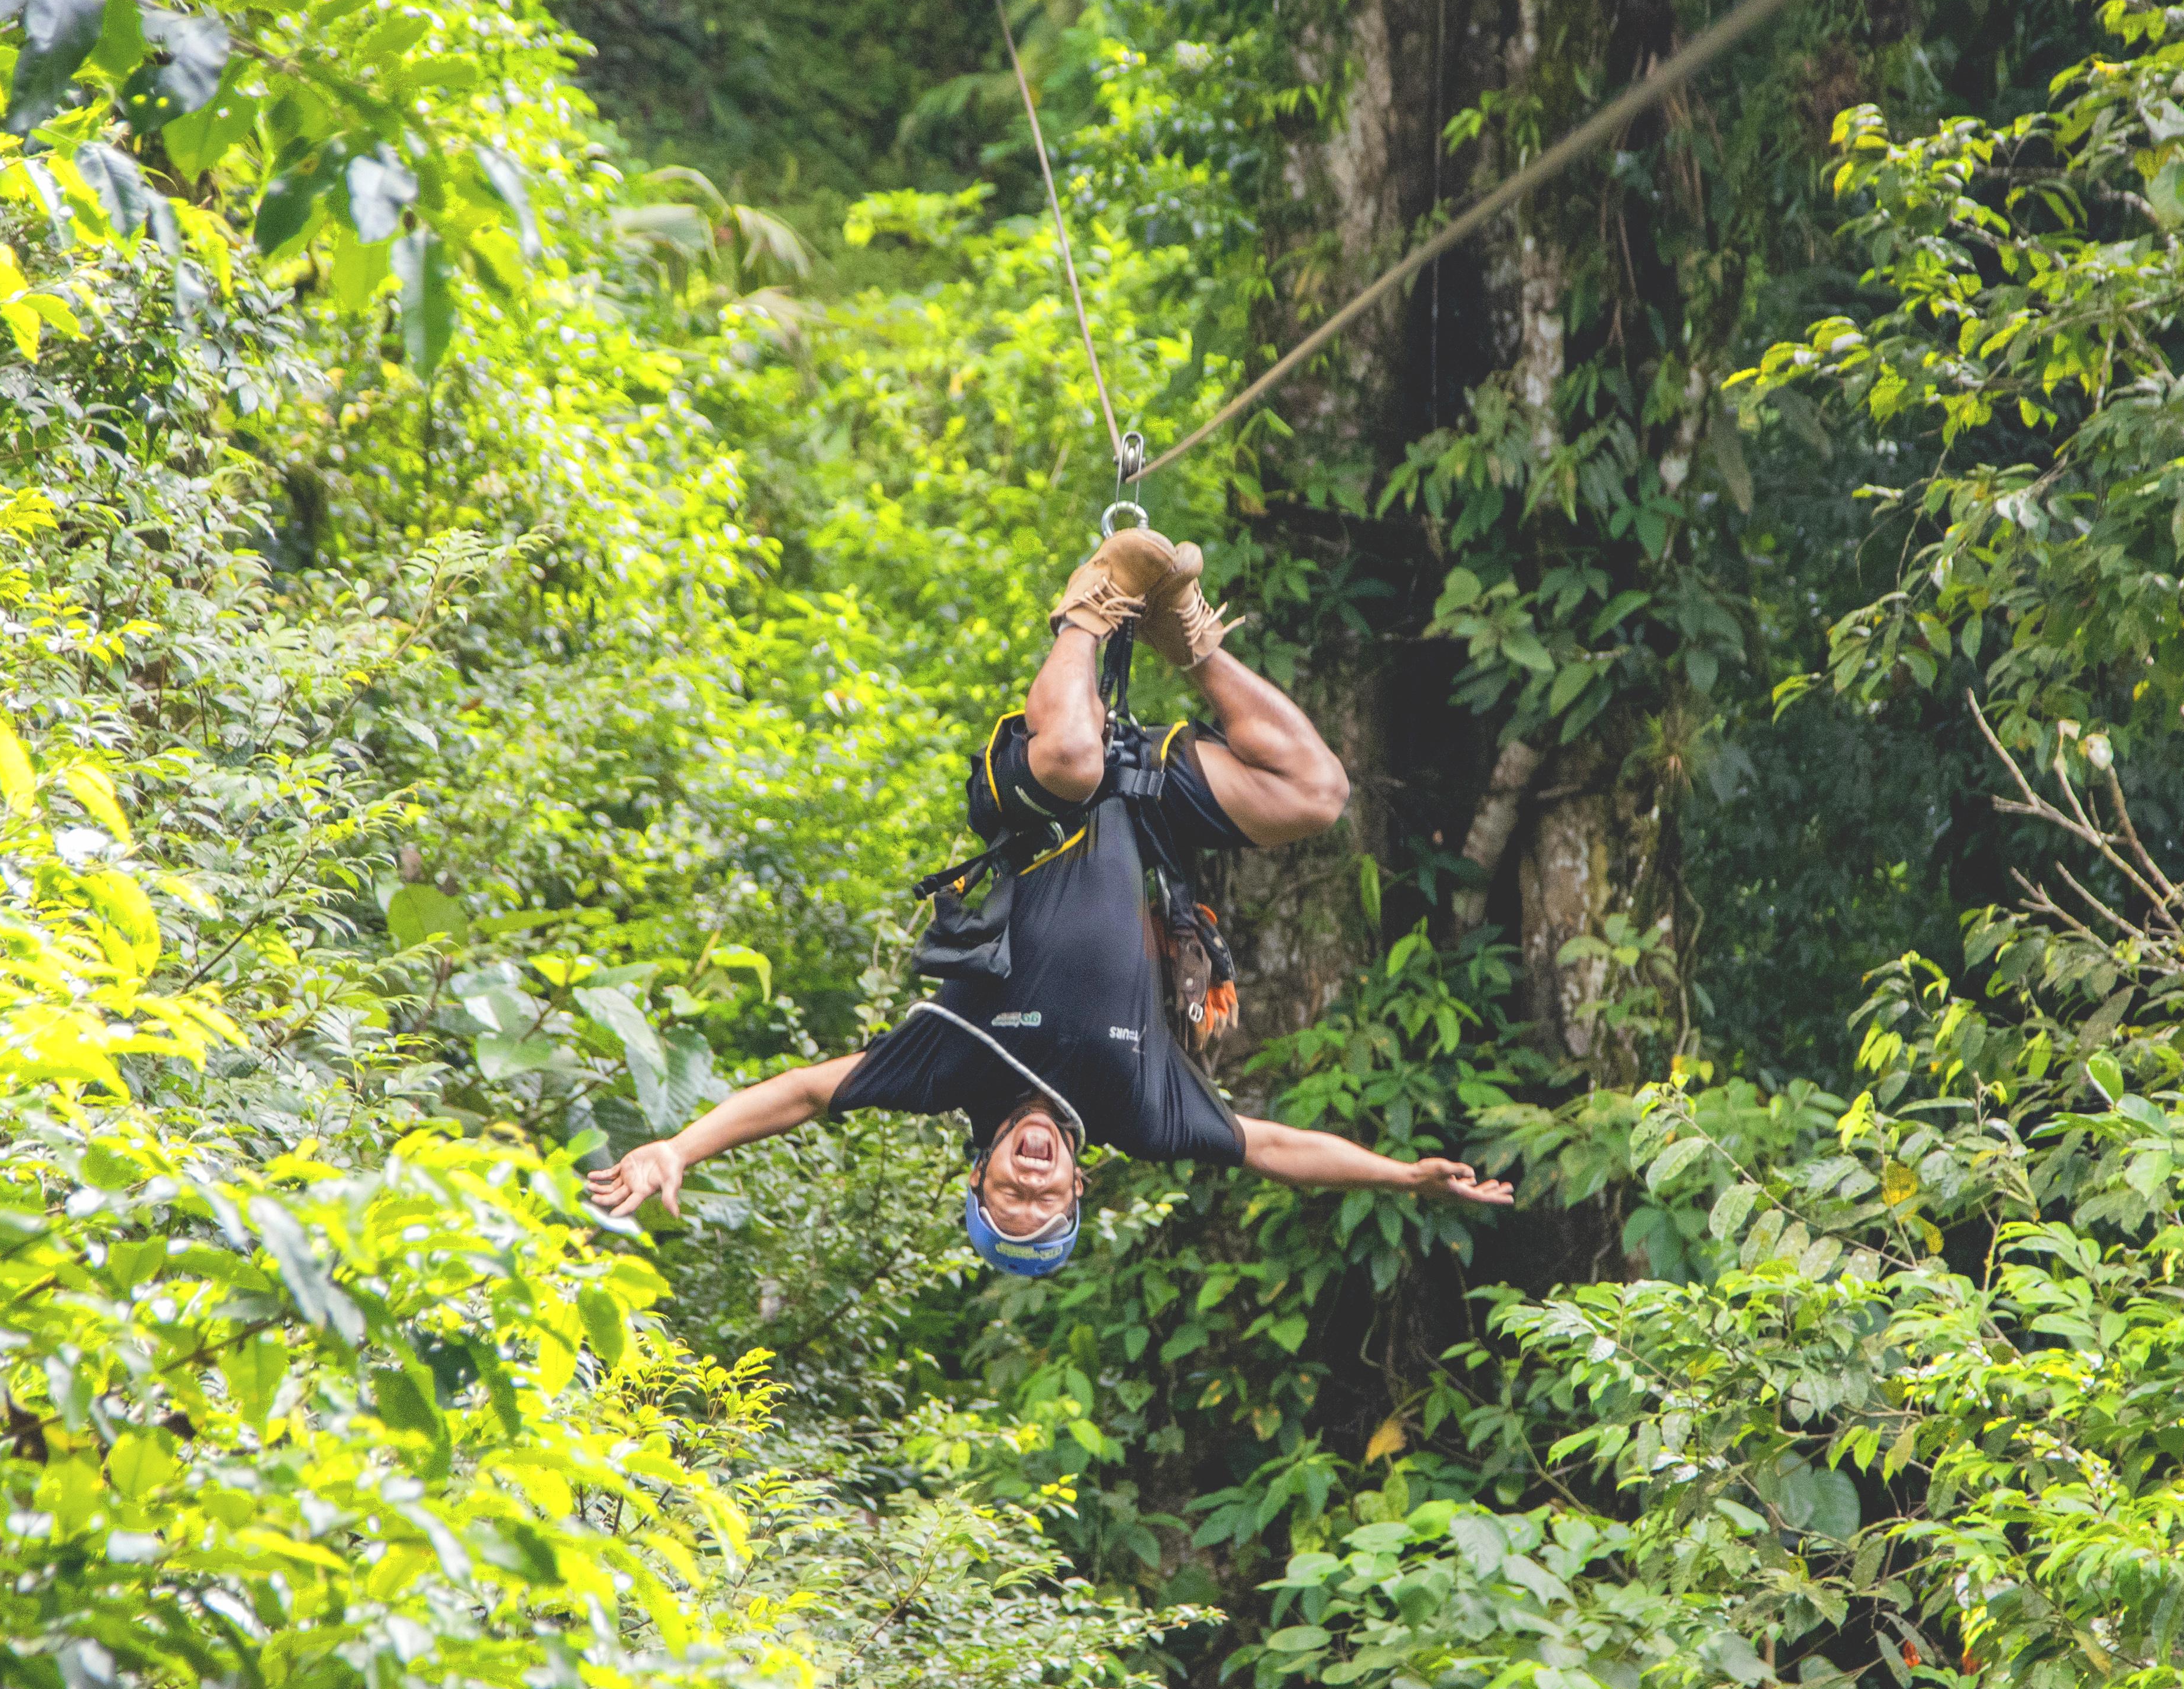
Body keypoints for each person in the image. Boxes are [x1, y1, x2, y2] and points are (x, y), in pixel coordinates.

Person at [586, 528, 1514, 1273]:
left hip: (1040, 794)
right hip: (1146, 805)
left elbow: (801, 1093)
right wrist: (1400, 1177)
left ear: (981, 1171)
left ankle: (1092, 606)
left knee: (1071, 756)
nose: (1030, 1185)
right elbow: (1275, 1150)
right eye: (1043, 1202)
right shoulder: (1140, 1113)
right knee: (1316, 793)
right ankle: (1187, 641)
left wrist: (678, 1149)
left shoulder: (953, 1072)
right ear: (1077, 1188)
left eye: (1009, 1198)